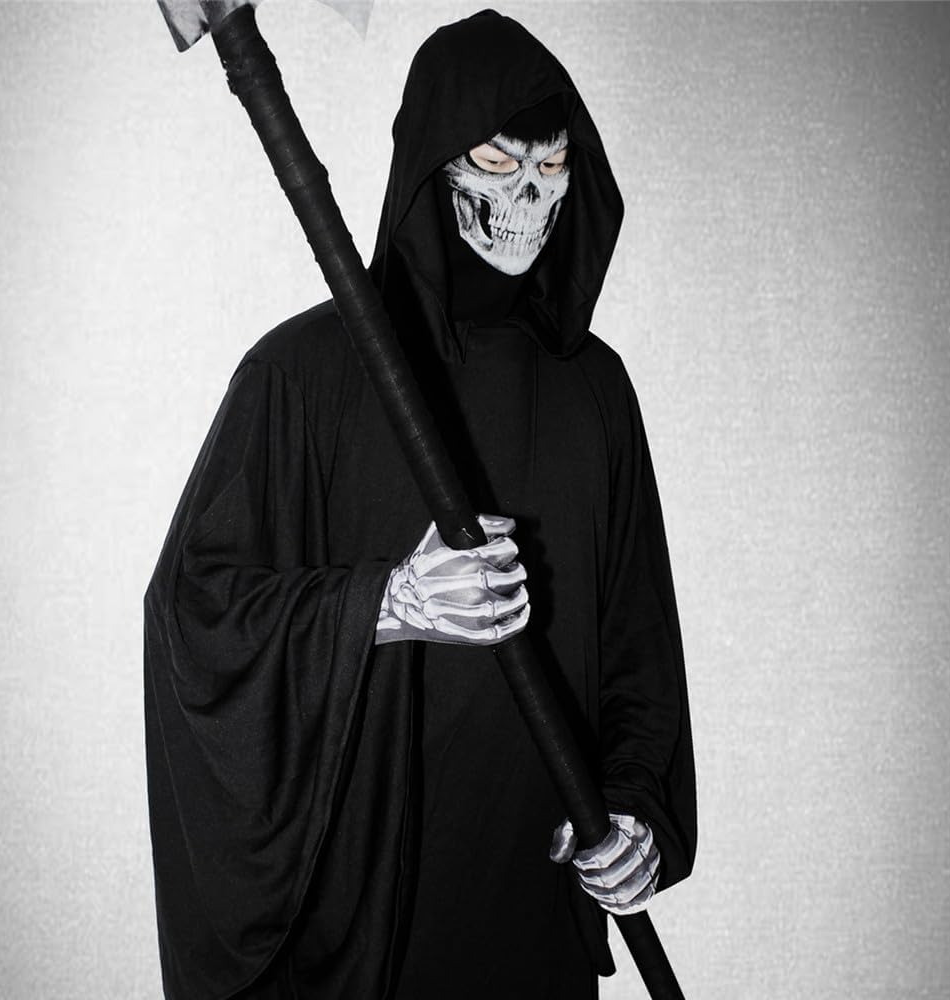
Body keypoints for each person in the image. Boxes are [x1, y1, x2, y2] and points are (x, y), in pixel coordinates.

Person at [145, 11, 696, 1000]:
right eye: (496, 164)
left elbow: (636, 648)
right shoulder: (303, 375)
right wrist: (386, 602)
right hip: (361, 935)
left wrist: (632, 814)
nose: (530, 198)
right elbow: (193, 612)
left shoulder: (593, 392)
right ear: (430, 168)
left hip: (530, 916)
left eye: (551, 166)